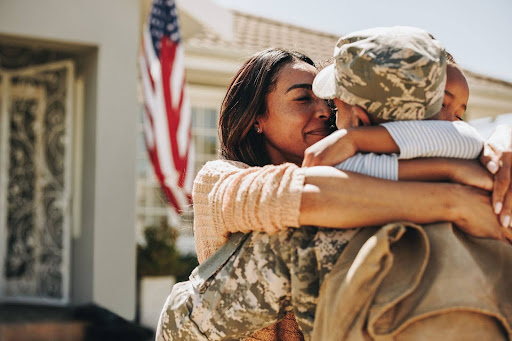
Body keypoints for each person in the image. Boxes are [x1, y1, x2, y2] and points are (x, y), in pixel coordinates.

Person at [157, 28, 512, 340]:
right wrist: (455, 199)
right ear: (256, 119)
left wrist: (501, 144)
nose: (325, 111)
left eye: (328, 102)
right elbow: (306, 193)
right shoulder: (219, 178)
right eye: (302, 99)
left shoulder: (362, 167)